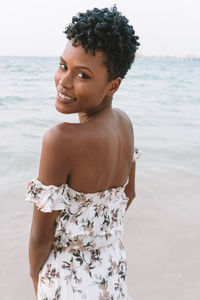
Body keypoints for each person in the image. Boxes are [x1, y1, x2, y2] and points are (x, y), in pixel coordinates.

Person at [25, 5, 140, 300]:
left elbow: (41, 236)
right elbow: (129, 195)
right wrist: (95, 239)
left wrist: (35, 275)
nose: (64, 82)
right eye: (63, 65)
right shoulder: (125, 124)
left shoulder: (61, 139)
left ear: (113, 85)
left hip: (67, 281)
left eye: (83, 75)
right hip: (112, 271)